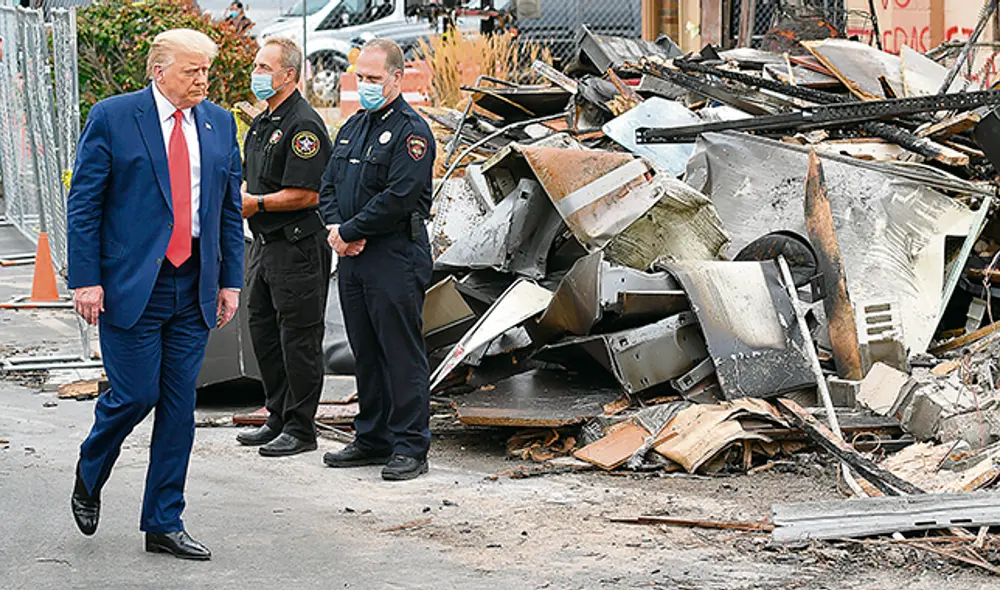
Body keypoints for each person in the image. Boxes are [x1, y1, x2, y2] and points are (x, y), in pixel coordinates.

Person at [67, 29, 244, 560]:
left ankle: (164, 521)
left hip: (193, 284)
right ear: (158, 71)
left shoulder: (218, 124)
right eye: (192, 71)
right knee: (135, 395)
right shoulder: (114, 117)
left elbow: (228, 211)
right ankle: (90, 468)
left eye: (206, 71)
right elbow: (85, 204)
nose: (202, 80)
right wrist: (86, 279)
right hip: (130, 284)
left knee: (177, 407)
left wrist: (230, 280)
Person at [319, 39, 435, 481]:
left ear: (396, 78)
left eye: (373, 78)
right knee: (364, 350)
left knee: (400, 353)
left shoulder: (411, 131)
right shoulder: (353, 127)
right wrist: (337, 230)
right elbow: (328, 184)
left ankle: (409, 445)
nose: (365, 85)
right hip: (352, 257)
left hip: (394, 255)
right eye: (360, 78)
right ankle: (372, 437)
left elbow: (400, 196)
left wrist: (351, 232)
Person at [236, 36, 333, 457]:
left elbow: (308, 193)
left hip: (297, 247)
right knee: (264, 332)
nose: (256, 74)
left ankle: (301, 426)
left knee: (299, 339)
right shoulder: (263, 122)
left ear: (287, 75)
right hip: (264, 244)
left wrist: (253, 204)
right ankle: (276, 414)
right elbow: (252, 177)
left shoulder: (303, 125)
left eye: (263, 67)